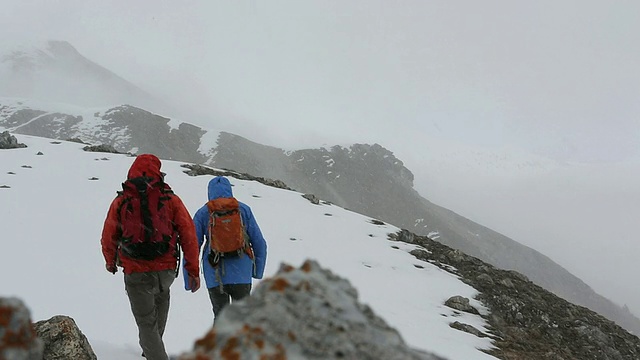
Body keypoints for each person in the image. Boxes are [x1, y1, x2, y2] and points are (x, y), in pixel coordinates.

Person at [101, 154, 201, 360]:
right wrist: (193, 270)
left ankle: (153, 353)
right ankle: (151, 352)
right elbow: (189, 235)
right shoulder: (170, 199)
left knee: (147, 323)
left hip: (135, 271)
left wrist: (110, 262)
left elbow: (108, 235)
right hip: (165, 271)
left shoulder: (122, 200)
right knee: (156, 316)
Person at [185, 176, 267, 321]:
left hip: (214, 273)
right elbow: (260, 243)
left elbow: (192, 246)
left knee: (220, 317)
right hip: (241, 272)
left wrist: (190, 277)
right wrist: (257, 271)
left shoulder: (204, 212)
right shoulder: (243, 210)